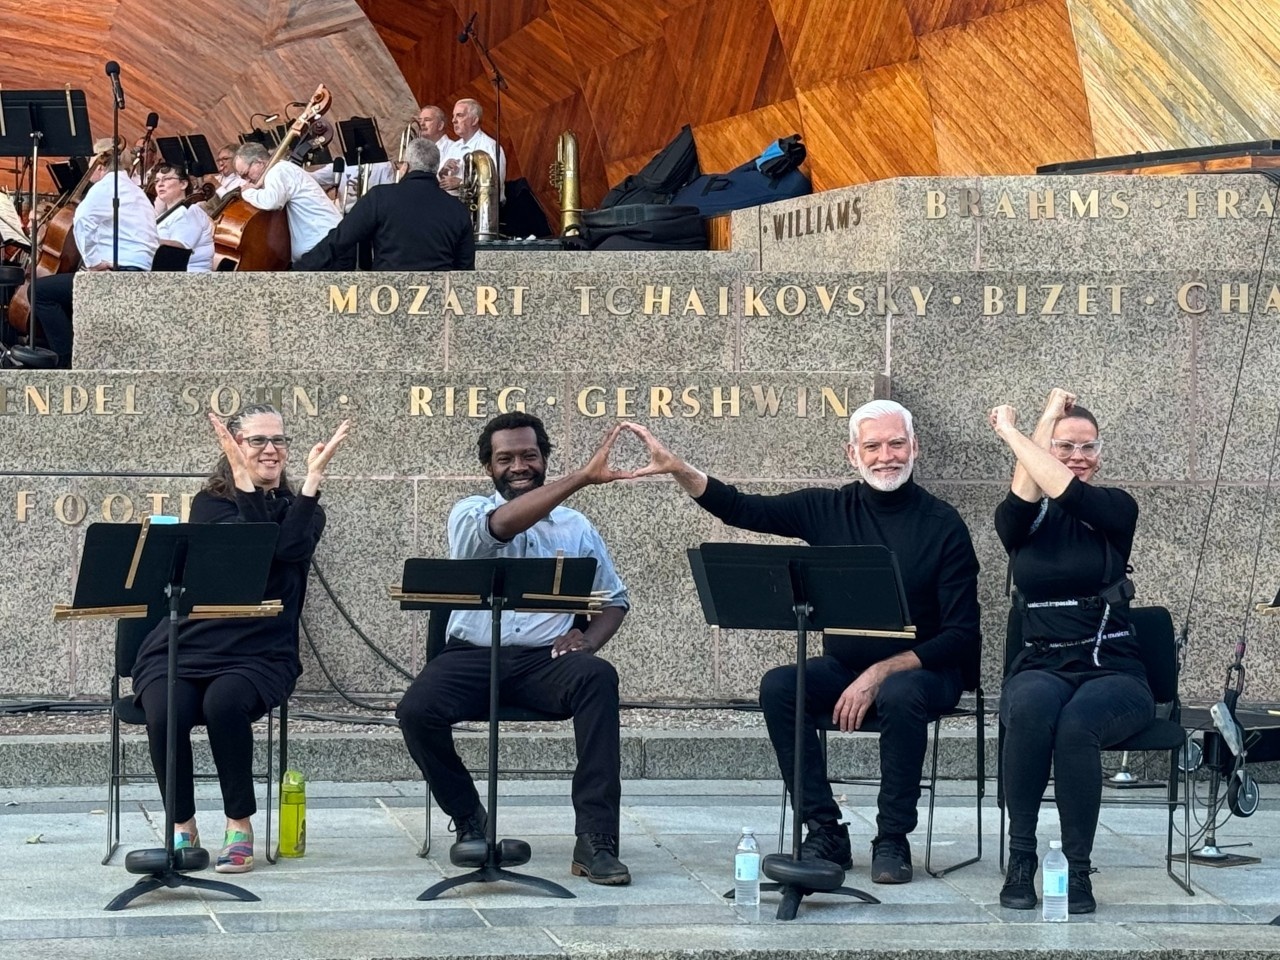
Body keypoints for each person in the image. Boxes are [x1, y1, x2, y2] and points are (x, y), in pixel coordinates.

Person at [622, 400, 981, 885]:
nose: (886, 456)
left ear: (914, 448)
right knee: (779, 686)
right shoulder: (827, 509)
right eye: (872, 446)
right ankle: (825, 828)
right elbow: (740, 508)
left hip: (926, 673)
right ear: (852, 454)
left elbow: (961, 636)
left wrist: (879, 673)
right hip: (847, 668)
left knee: (899, 693)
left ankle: (892, 837)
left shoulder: (943, 525)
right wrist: (679, 469)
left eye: (896, 443)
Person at [396, 413, 633, 884]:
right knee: (415, 711)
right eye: (505, 458)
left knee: (598, 677)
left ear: (544, 459)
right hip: (471, 656)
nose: (519, 465)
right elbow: (501, 526)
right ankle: (470, 820)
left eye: (529, 455)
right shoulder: (467, 512)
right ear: (489, 467)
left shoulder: (575, 526)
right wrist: (583, 477)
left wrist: (587, 639)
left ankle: (595, 840)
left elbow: (615, 600)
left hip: (545, 662)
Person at [131, 405, 350, 873]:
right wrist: (241, 482)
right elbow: (255, 549)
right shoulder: (210, 505)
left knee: (223, 705)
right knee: (167, 709)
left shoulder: (305, 510)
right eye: (257, 441)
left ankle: (239, 824)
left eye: (280, 440)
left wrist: (311, 481)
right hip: (188, 641)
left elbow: (287, 548)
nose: (272, 449)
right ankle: (181, 827)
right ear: (234, 446)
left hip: (261, 651)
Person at [989, 388, 1150, 915]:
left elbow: (1067, 492)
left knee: (1079, 725)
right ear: (1046, 449)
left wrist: (1011, 430)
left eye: (1088, 447)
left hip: (1114, 668)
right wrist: (1042, 419)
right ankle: (1021, 858)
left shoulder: (1114, 508)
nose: (1078, 457)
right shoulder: (1022, 521)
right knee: (1031, 709)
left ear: (1100, 454)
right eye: (1065, 446)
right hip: (1042, 663)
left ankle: (1078, 869)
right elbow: (1028, 492)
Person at [12, 138, 158, 367]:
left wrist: (92, 263)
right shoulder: (137, 192)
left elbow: (81, 219)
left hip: (117, 274)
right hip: (140, 272)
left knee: (39, 292)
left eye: (91, 163)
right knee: (63, 291)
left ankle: (68, 360)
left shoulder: (106, 187)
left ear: (100, 165)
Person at [296, 139, 474, 272]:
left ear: (406, 166)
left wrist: (299, 270)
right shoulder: (458, 209)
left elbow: (340, 240)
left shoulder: (379, 197)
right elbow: (465, 269)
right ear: (435, 169)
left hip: (387, 297)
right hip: (439, 302)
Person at [233, 143, 343, 263]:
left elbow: (271, 201)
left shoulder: (278, 170)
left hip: (323, 246)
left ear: (259, 162)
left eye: (246, 174)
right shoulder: (280, 170)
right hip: (322, 246)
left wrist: (248, 192)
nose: (247, 180)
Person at [438, 98, 506, 204]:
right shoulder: (454, 147)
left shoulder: (490, 147)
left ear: (474, 120)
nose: (453, 120)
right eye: (453, 116)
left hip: (478, 210)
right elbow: (439, 179)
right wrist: (444, 170)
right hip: (450, 206)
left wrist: (461, 184)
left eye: (459, 115)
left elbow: (494, 185)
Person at [153, 164, 215, 272]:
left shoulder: (190, 211)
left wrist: (146, 240)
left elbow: (179, 248)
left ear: (183, 184)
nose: (160, 184)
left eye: (166, 179)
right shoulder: (167, 214)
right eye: (157, 181)